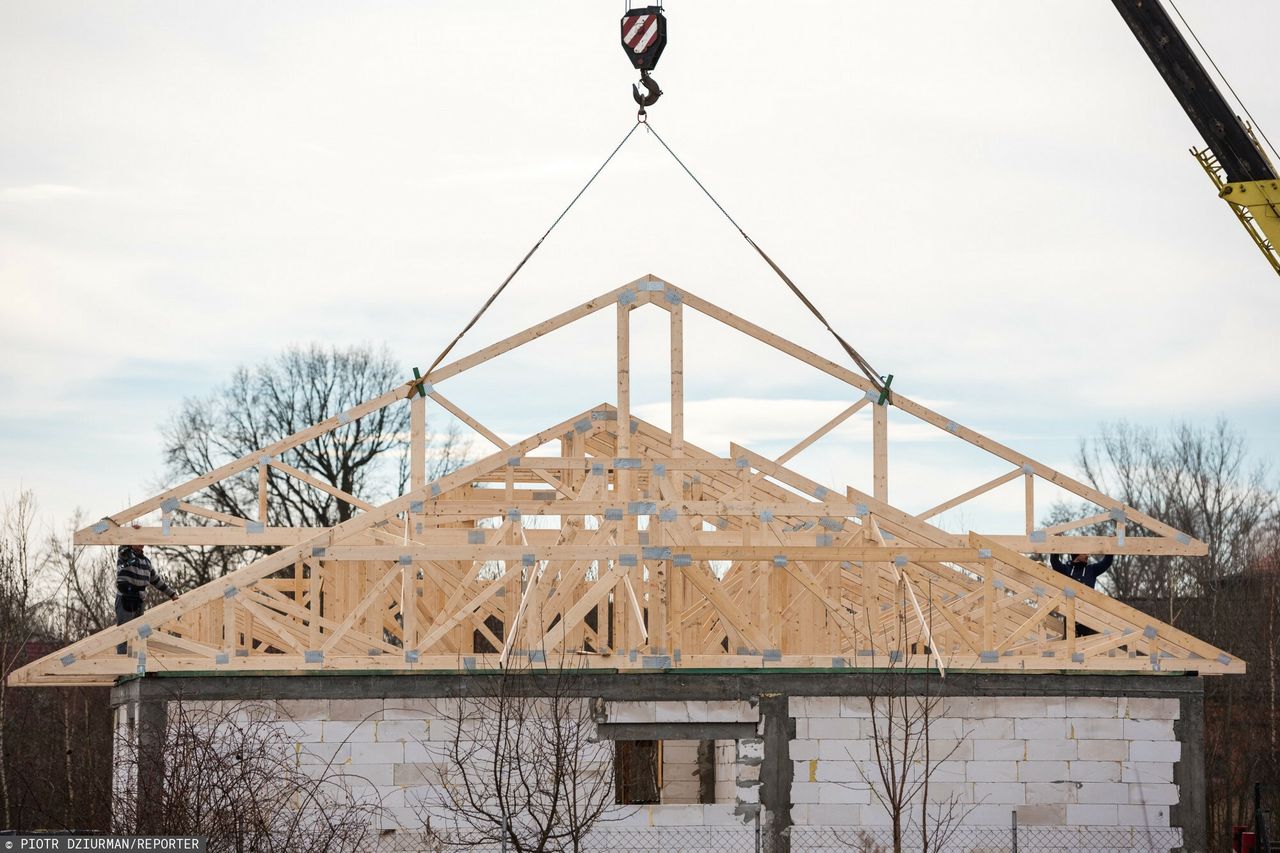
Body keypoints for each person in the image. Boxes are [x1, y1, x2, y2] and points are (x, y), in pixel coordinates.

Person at [116, 543, 179, 654]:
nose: (140, 544)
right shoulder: (125, 554)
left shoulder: (146, 562)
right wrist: (132, 535)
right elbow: (122, 547)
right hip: (125, 598)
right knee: (124, 633)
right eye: (137, 541)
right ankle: (122, 665)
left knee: (138, 633)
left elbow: (156, 581)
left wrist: (172, 594)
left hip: (139, 601)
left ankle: (136, 664)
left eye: (142, 542)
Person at [1049, 552, 1113, 589]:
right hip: (1067, 609)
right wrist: (1056, 540)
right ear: (1077, 553)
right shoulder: (1065, 569)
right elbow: (1054, 561)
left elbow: (1106, 563)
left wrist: (1110, 545)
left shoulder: (1091, 570)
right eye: (1085, 553)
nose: (1087, 556)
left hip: (1087, 610)